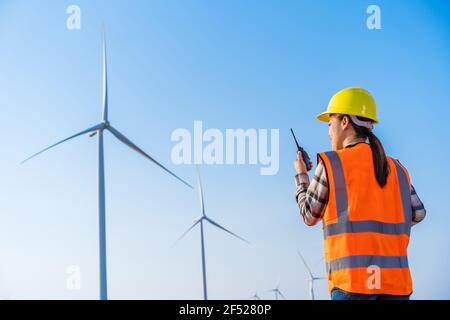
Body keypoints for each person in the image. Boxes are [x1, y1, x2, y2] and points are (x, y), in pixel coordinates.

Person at [293, 87, 426, 300]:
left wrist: (301, 177)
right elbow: (418, 214)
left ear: (344, 122)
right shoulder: (398, 169)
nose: (328, 131)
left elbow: (309, 215)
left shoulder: (331, 164)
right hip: (396, 285)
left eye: (330, 124)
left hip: (352, 284)